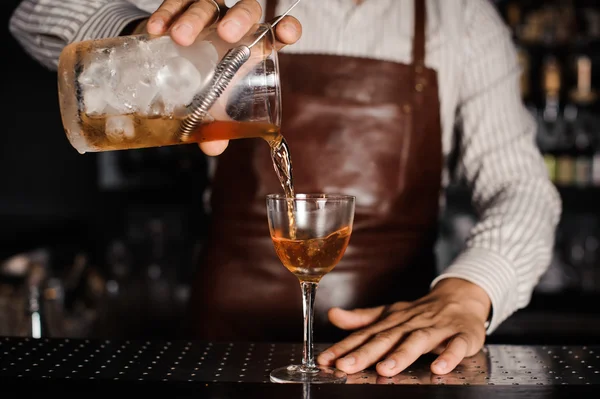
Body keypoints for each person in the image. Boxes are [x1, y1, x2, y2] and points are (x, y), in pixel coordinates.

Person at [9, 0, 562, 378]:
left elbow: (522, 188)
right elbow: (30, 12)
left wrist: (469, 291)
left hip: (394, 355)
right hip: (223, 346)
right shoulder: (237, 5)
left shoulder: (463, 18)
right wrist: (143, 44)